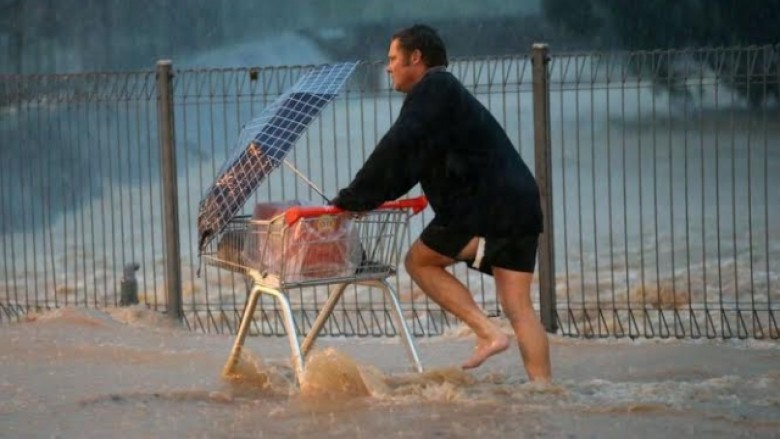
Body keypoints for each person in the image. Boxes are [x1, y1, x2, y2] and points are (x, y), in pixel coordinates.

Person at [331, 24, 551, 382]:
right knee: (520, 308)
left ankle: (487, 331)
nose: (388, 68)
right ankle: (544, 393)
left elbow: (398, 147)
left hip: (486, 205)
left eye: (392, 59)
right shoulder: (445, 96)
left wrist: (354, 197)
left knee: (419, 262)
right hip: (521, 203)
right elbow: (411, 163)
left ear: (415, 58)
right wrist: (367, 196)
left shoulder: (434, 87)